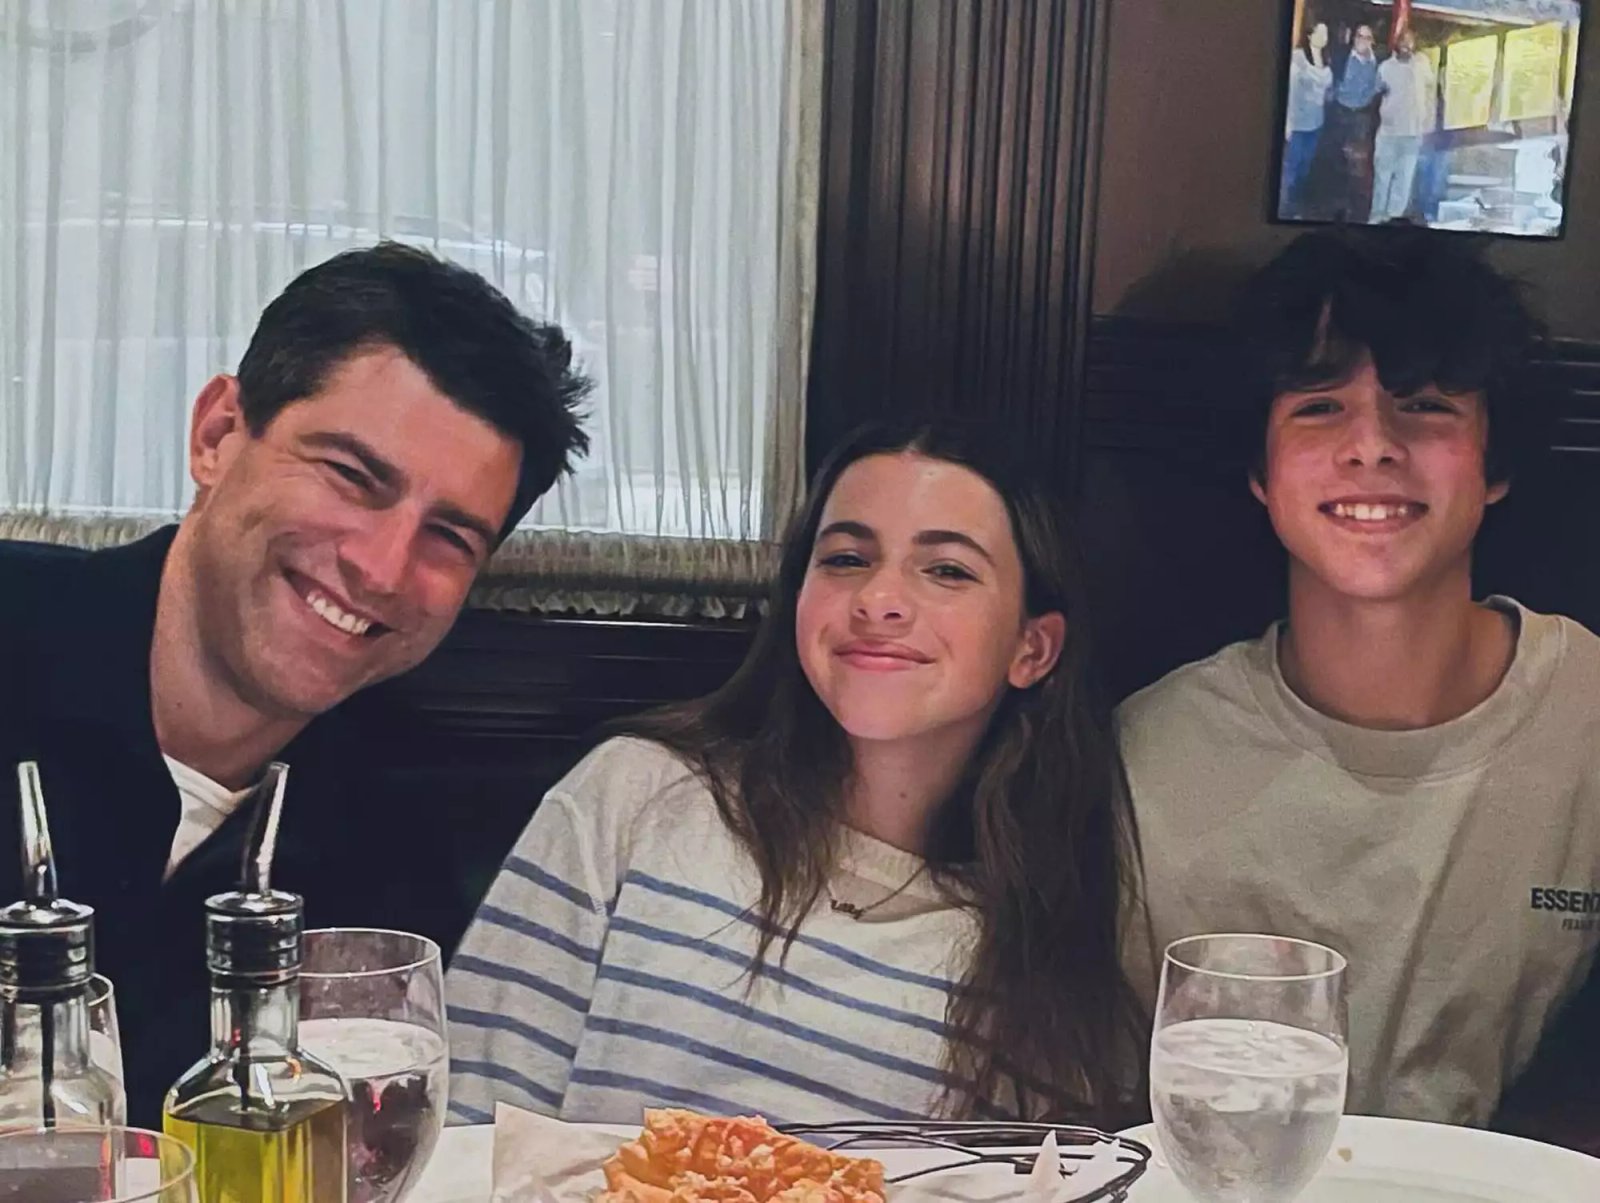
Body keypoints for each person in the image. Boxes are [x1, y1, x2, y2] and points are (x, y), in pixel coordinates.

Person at [0, 242, 590, 1123]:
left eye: (450, 537)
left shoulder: (398, 845)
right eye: (352, 476)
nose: (385, 569)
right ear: (217, 436)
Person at [446, 421, 1147, 1125]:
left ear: (1033, 647)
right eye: (846, 558)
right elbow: (466, 1125)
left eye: (947, 570)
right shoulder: (637, 794)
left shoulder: (1038, 949)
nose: (879, 600)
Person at [1118, 229, 1600, 1127]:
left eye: (1424, 404)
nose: (1372, 445)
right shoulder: (1145, 756)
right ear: (1259, 471)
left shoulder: (1586, 717)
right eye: (1318, 407)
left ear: (1496, 464)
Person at [1372, 30, 1436, 222]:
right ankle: (1376, 219)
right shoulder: (1385, 67)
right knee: (1382, 179)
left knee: (1404, 180)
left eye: (1410, 41)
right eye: (1403, 41)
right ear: (1396, 43)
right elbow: (1377, 89)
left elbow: (1431, 90)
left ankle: (1394, 219)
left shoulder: (1422, 64)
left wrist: (1427, 121)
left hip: (1412, 134)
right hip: (1388, 134)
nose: (1406, 44)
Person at [1325, 24, 1381, 222]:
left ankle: (1354, 207)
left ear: (1371, 41)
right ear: (1354, 37)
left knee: (1357, 163)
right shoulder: (1341, 57)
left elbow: (1379, 87)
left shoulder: (1378, 62)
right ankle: (1336, 206)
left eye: (1367, 37)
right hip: (1341, 113)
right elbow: (1330, 82)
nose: (1362, 40)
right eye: (1359, 35)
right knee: (1336, 158)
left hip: (1362, 116)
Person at [1281, 21, 1333, 218]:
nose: (1323, 36)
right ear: (1310, 35)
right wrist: (1288, 123)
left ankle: (1297, 206)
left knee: (1305, 166)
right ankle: (1285, 210)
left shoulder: (1327, 59)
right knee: (1291, 168)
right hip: (1298, 124)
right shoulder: (1298, 58)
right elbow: (1291, 91)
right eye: (1320, 32)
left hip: (1316, 123)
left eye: (1326, 33)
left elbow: (1328, 89)